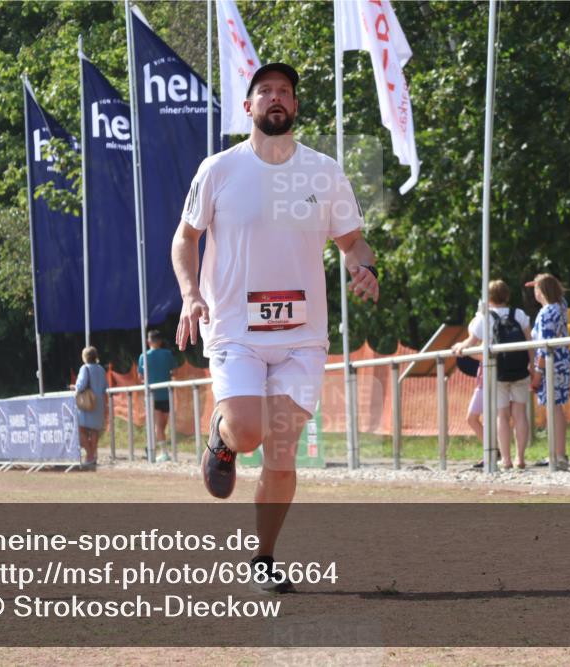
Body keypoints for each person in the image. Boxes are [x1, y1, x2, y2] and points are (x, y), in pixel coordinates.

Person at [172, 62, 378, 593]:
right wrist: (192, 295)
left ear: (295, 106)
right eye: (265, 91)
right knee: (247, 432)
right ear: (249, 107)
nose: (275, 97)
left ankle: (264, 558)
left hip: (302, 337)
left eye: (285, 90)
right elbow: (184, 239)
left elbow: (353, 239)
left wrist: (363, 265)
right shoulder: (218, 169)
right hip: (236, 329)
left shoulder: (324, 171)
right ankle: (221, 439)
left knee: (282, 454)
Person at [452, 280, 533, 469]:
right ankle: (520, 458)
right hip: (520, 370)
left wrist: (459, 347)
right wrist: (533, 368)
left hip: (497, 372)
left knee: (501, 415)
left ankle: (506, 459)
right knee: (520, 414)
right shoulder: (519, 314)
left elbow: (471, 342)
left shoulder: (484, 317)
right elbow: (530, 343)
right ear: (507, 296)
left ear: (488, 298)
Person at [528, 273, 570, 471]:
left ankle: (558, 455)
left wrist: (537, 373)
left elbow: (544, 346)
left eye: (536, 289)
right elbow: (559, 295)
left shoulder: (546, 313)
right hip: (563, 363)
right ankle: (558, 453)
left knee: (553, 409)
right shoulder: (561, 307)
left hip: (551, 365)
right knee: (557, 408)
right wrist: (543, 281)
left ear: (541, 291)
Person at [137, 330, 179, 461]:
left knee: (158, 426)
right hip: (167, 394)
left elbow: (140, 377)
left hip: (152, 396)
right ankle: (158, 449)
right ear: (160, 341)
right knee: (162, 425)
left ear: (148, 341)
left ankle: (162, 452)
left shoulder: (143, 356)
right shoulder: (167, 354)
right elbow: (175, 371)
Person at [75, 346, 107, 469]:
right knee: (94, 431)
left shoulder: (84, 368)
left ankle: (89, 455)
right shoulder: (101, 369)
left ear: (85, 357)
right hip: (98, 403)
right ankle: (92, 456)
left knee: (80, 429)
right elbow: (105, 386)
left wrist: (75, 388)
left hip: (87, 402)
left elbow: (81, 385)